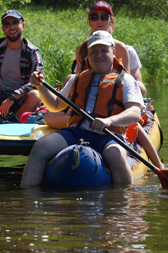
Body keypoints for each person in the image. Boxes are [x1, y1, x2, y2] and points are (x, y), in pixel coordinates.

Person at [21, 31, 144, 187]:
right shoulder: (77, 78)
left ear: (113, 53)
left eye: (104, 50)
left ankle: (121, 204)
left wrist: (109, 121)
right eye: (94, 51)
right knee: (40, 146)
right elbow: (55, 105)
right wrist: (40, 86)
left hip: (109, 136)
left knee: (115, 154)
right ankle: (28, 197)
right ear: (88, 55)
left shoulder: (125, 79)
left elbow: (134, 113)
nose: (99, 55)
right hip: (76, 132)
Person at [0, 10, 42, 120]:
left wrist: (13, 97)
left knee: (36, 95)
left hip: (20, 98)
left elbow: (36, 81)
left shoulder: (32, 51)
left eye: (15, 23)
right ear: (3, 29)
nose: (11, 27)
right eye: (7, 24)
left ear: (23, 25)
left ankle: (11, 125)